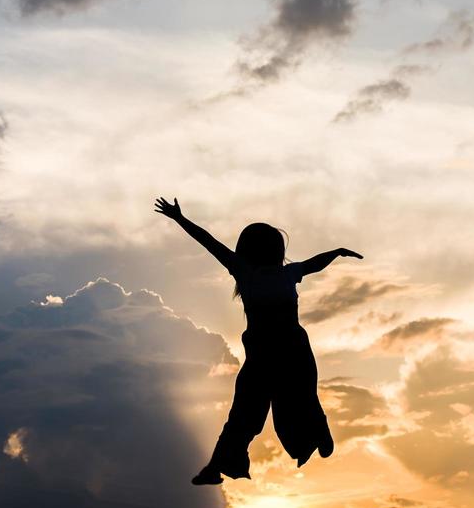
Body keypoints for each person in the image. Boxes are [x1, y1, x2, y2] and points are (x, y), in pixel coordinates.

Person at [153, 196, 362, 486]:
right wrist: (180, 219)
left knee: (294, 401)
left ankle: (318, 433)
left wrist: (336, 252)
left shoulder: (282, 273)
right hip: (266, 354)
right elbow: (209, 242)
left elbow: (314, 264)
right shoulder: (252, 271)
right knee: (246, 413)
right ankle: (215, 468)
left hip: (290, 351)